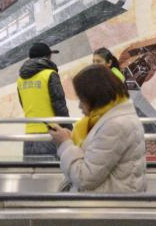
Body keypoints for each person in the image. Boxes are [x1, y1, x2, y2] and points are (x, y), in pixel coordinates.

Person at [49, 64, 146, 192]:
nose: (79, 106)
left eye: (82, 99)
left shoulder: (115, 126)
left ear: (94, 96)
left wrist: (65, 144)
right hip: (106, 202)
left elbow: (85, 178)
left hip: (106, 206)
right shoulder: (110, 119)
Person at [17, 42, 70, 158]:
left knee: (32, 174)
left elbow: (24, 105)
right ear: (47, 57)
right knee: (53, 174)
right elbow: (59, 105)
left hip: (29, 137)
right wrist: (68, 129)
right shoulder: (50, 74)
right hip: (51, 135)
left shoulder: (20, 79)